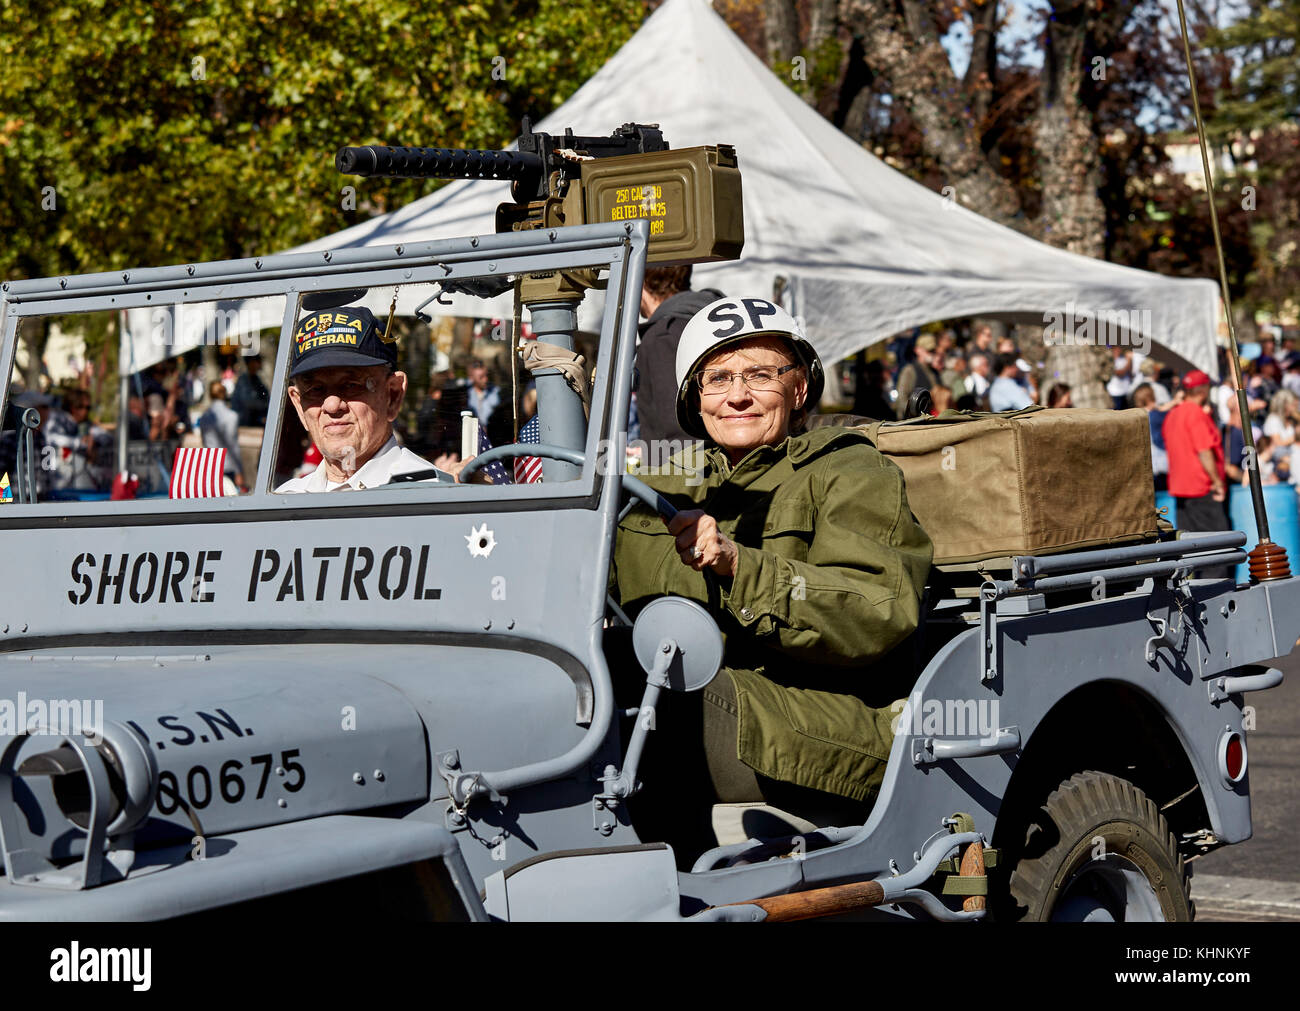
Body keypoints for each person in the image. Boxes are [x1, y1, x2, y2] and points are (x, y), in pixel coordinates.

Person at [609, 295, 933, 845]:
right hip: (703, 699)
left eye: (760, 374)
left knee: (650, 696)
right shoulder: (657, 489)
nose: (737, 395)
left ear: (800, 388)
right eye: (718, 379)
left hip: (824, 716)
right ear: (695, 396)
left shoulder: (851, 470)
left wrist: (738, 565)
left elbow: (877, 610)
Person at [275, 306, 441, 493]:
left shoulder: (430, 495)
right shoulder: (284, 498)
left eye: (351, 385)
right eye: (315, 390)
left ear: (393, 395)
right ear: (298, 405)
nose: (331, 405)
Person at [633, 265, 724, 445]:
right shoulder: (710, 318)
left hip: (682, 467)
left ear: (640, 282)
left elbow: (680, 431)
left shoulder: (664, 336)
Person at [1162, 369, 1231, 576]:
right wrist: (1217, 482)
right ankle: (1216, 596)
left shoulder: (1173, 415)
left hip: (1181, 490)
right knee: (1219, 549)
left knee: (1194, 551)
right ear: (1203, 391)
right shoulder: (1196, 414)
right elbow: (1204, 452)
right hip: (1201, 489)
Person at [197, 381, 246, 492]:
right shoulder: (231, 416)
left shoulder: (204, 417)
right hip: (228, 467)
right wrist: (239, 471)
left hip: (211, 465)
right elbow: (232, 445)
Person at [894, 334, 940, 418]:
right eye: (928, 350)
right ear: (917, 350)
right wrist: (917, 415)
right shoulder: (910, 371)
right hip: (916, 424)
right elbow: (901, 400)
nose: (931, 353)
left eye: (933, 350)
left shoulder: (934, 371)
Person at [231, 355, 270, 428]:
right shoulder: (243, 380)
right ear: (250, 363)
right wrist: (265, 405)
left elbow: (265, 395)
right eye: (257, 362)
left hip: (253, 419)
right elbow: (248, 401)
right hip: (244, 421)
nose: (259, 364)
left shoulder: (256, 379)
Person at [465, 358, 500, 429]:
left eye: (486, 375)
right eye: (481, 377)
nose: (485, 379)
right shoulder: (466, 394)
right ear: (471, 378)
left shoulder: (495, 392)